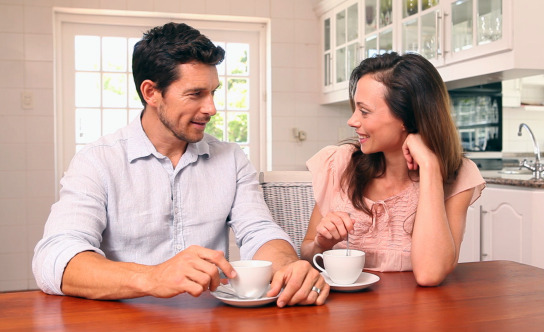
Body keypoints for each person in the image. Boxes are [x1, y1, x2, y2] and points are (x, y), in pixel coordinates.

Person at [32, 22, 328, 307]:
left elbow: (259, 231)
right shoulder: (97, 161)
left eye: (213, 92)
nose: (211, 108)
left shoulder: (231, 158)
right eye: (196, 94)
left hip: (209, 319)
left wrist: (289, 266)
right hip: (123, 319)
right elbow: (55, 257)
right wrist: (152, 277)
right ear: (151, 93)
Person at [300, 52, 485, 286]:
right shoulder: (339, 164)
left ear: (407, 117)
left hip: (417, 316)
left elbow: (430, 274)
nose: (352, 121)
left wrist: (429, 167)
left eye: (364, 111)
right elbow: (306, 253)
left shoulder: (457, 175)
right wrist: (321, 244)